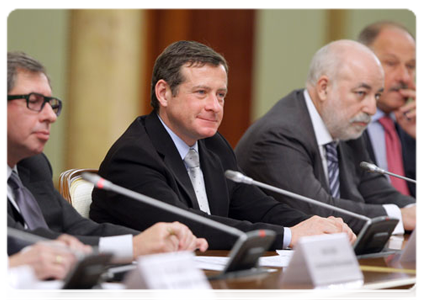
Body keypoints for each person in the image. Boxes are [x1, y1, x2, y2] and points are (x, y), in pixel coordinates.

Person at [90, 40, 355, 250]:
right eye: (201, 93)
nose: (214, 107)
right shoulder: (133, 156)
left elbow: (257, 205)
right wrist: (288, 236)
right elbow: (187, 225)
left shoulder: (213, 145)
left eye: (221, 95)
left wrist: (313, 225)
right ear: (164, 93)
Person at [5, 51, 208, 263]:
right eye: (34, 101)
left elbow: (77, 228)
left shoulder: (32, 164)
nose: (49, 116)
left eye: (50, 104)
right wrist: (133, 247)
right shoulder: (134, 153)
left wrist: (155, 242)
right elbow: (18, 241)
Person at [235, 40, 419, 235]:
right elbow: (317, 211)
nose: (371, 109)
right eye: (361, 93)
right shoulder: (279, 134)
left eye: (376, 96)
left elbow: (375, 189)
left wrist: (414, 210)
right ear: (323, 88)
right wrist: (398, 216)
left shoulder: (345, 125)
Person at [358, 21, 420, 201]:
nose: (404, 77)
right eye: (391, 63)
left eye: (410, 66)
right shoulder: (346, 122)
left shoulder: (414, 120)